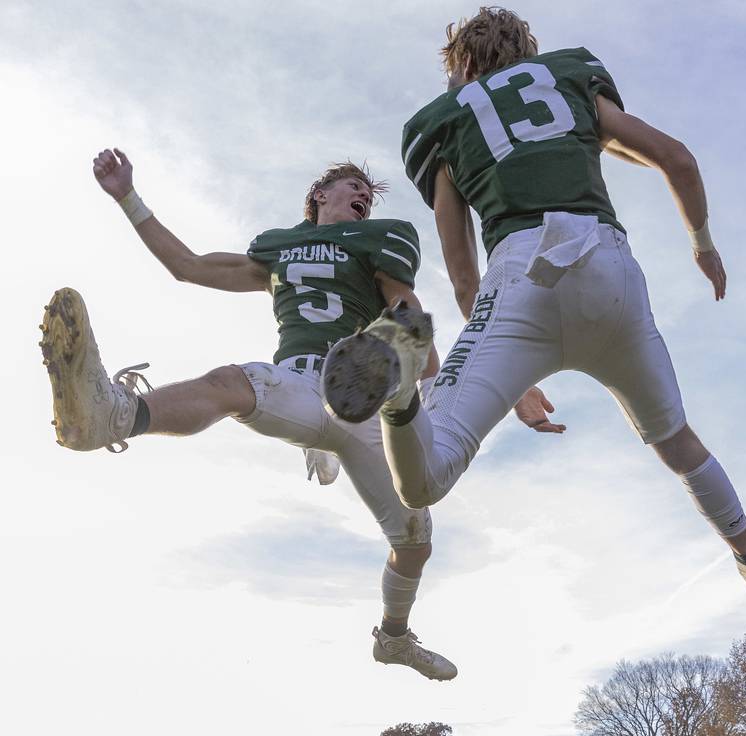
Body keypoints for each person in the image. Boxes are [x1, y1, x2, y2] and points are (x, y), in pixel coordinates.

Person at [323, 7, 746, 609]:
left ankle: (402, 394)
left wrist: (512, 375)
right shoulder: (567, 77)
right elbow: (679, 160)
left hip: (518, 277)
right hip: (610, 267)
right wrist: (702, 245)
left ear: (460, 63)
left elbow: (464, 275)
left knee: (424, 482)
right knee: (675, 441)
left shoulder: (442, 120)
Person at [39, 153, 462, 680]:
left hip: (364, 398)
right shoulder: (280, 249)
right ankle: (116, 416)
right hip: (298, 383)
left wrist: (435, 400)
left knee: (415, 541)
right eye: (352, 187)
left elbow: (407, 321)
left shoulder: (378, 241)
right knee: (231, 383)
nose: (362, 197)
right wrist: (128, 196)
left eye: (368, 195)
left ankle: (393, 639)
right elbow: (187, 267)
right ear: (319, 196)